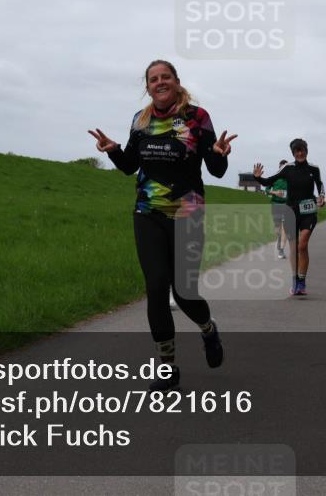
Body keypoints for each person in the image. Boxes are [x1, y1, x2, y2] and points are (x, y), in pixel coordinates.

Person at [89, 59, 236, 392]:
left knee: (184, 293)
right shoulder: (140, 121)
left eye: (165, 77)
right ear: (148, 86)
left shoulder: (197, 118)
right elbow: (130, 166)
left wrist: (220, 153)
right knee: (156, 287)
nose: (159, 83)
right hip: (148, 213)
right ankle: (168, 367)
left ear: (176, 81)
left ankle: (208, 329)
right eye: (153, 79)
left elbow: (216, 170)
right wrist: (113, 151)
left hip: (188, 213)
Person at [252, 139, 325, 296]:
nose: (299, 153)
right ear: (293, 153)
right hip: (291, 211)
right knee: (293, 247)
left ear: (306, 151)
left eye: (302, 150)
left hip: (309, 211)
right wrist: (258, 178)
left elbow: (320, 184)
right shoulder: (287, 168)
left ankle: (302, 281)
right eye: (296, 151)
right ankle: (295, 280)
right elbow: (270, 180)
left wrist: (322, 196)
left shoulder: (314, 168)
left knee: (302, 245)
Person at [266, 160, 290, 259]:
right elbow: (266, 190)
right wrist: (275, 193)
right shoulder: (274, 178)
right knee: (278, 228)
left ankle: (281, 250)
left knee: (285, 228)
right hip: (275, 205)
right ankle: (279, 240)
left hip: (286, 205)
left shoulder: (291, 179)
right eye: (281, 168)